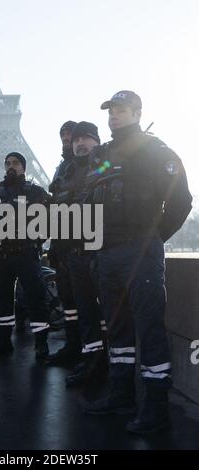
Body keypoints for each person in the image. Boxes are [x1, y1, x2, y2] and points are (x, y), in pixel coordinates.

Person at [82, 91, 192, 434]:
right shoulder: (101, 155)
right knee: (117, 330)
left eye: (121, 110)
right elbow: (90, 203)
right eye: (110, 111)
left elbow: (181, 201)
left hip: (139, 251)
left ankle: (156, 410)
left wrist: (153, 237)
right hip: (107, 253)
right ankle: (121, 396)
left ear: (137, 113)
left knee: (150, 329)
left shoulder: (157, 152)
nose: (114, 116)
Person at [50, 122, 107, 387]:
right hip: (72, 250)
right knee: (84, 309)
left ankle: (102, 361)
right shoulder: (66, 171)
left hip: (98, 250)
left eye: (86, 139)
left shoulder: (105, 165)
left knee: (101, 310)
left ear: (96, 141)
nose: (79, 143)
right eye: (76, 140)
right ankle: (92, 358)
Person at [0, 151, 51, 363]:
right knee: (3, 300)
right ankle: (4, 341)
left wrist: (36, 241)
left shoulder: (35, 191)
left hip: (27, 252)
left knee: (36, 299)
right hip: (2, 254)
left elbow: (50, 219)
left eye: (15, 163)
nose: (10, 166)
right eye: (7, 162)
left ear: (24, 167)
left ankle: (41, 343)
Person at [46, 121, 81, 366]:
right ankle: (73, 346)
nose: (67, 138)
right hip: (62, 242)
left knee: (84, 302)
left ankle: (90, 353)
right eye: (63, 134)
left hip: (80, 243)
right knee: (68, 301)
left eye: (71, 134)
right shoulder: (62, 168)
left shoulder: (87, 164)